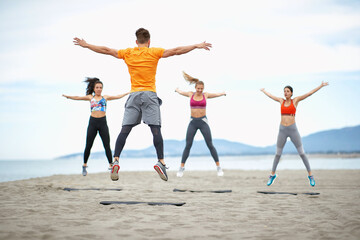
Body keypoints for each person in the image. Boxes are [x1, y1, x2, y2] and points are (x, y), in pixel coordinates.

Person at [73, 28, 212, 181]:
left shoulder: (128, 53)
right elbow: (177, 50)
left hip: (134, 95)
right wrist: (196, 46)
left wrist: (87, 45)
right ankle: (161, 162)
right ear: (149, 41)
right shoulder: (154, 52)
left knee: (125, 130)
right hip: (149, 95)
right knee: (155, 129)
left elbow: (106, 50)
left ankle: (116, 160)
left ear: (136, 42)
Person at [260, 82, 329, 187]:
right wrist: (264, 91)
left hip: (293, 130)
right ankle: (272, 175)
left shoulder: (295, 101)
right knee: (278, 154)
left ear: (291, 93)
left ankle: (310, 175)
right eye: (284, 91)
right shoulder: (281, 101)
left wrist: (320, 86)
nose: (285, 93)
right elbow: (271, 96)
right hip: (282, 130)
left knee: (302, 153)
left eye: (287, 91)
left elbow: (309, 93)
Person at [62, 77, 129, 176]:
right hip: (93, 123)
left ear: (102, 88)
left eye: (100, 87)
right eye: (97, 87)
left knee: (107, 145)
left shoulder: (105, 97)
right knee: (88, 145)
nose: (99, 89)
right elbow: (78, 97)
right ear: (94, 88)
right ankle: (84, 165)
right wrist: (68, 96)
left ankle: (111, 165)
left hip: (103, 123)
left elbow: (117, 96)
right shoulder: (90, 97)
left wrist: (127, 93)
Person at [175, 71, 226, 177]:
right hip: (193, 122)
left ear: (203, 88)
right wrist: (177, 90)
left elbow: (215, 95)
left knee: (210, 144)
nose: (200, 90)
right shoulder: (190, 94)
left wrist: (222, 93)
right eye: (198, 88)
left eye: (201, 88)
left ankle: (218, 167)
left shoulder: (205, 95)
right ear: (195, 88)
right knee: (188, 145)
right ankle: (181, 168)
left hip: (203, 122)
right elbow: (181, 92)